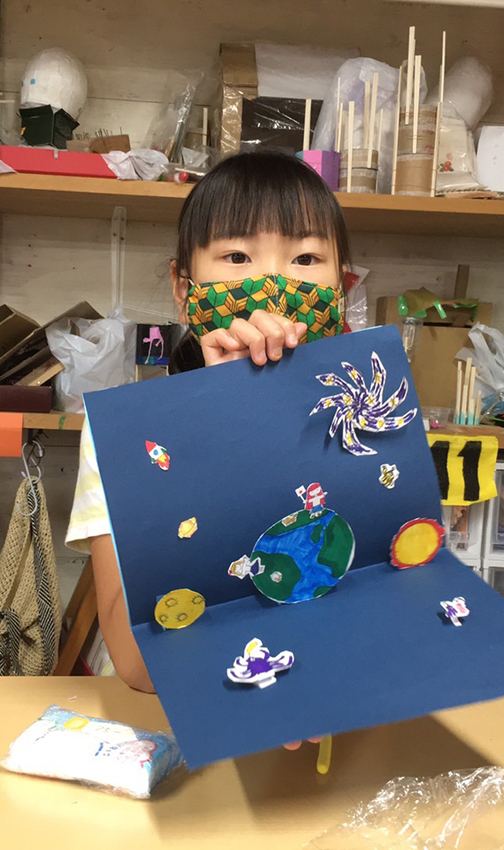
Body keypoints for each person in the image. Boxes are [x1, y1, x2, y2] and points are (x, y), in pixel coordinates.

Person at [65, 151, 351, 705]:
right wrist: (217, 416)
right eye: (237, 256)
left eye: (306, 257)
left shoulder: (367, 418)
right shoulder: (126, 434)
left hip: (339, 712)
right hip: (196, 714)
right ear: (184, 287)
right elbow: (136, 662)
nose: (272, 283)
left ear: (342, 285)